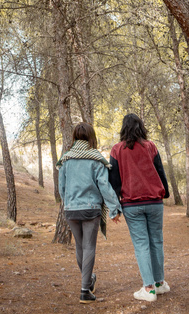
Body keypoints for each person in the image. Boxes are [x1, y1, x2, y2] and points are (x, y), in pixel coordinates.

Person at [58, 122, 122, 303]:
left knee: (80, 247)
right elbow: (104, 186)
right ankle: (85, 290)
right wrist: (114, 209)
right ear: (91, 137)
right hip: (91, 209)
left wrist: (68, 203)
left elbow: (61, 187)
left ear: (75, 137)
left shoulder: (66, 159)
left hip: (71, 209)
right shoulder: (96, 158)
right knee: (89, 247)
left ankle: (89, 280)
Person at [109, 113, 170, 302]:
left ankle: (149, 288)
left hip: (131, 204)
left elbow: (114, 181)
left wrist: (116, 206)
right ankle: (160, 283)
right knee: (156, 242)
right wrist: (165, 192)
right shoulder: (150, 146)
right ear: (141, 127)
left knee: (142, 245)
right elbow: (159, 170)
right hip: (154, 203)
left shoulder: (117, 150)